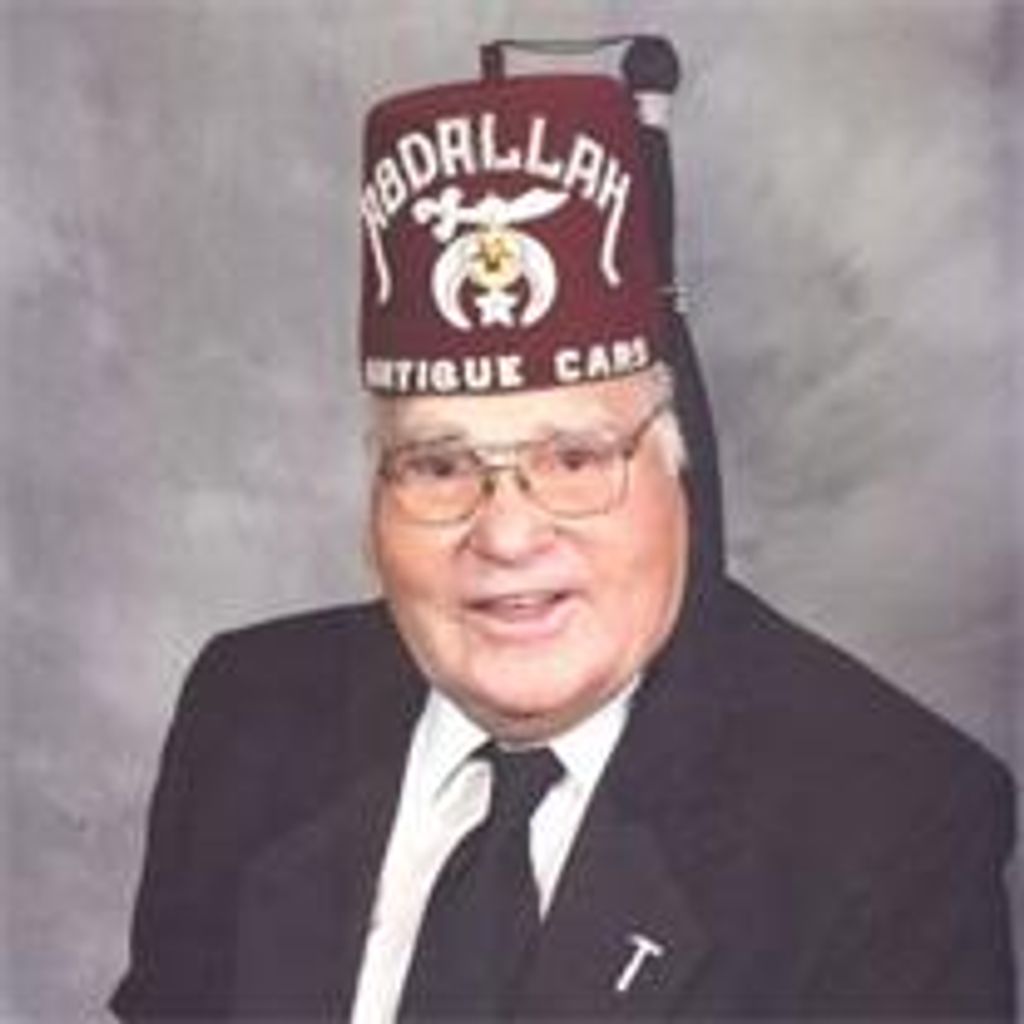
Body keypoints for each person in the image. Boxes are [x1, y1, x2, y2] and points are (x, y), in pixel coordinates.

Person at [111, 37, 1016, 1022]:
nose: (506, 535)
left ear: (678, 474)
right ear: (374, 496)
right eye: (440, 465)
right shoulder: (250, 715)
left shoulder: (885, 824)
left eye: (574, 459)